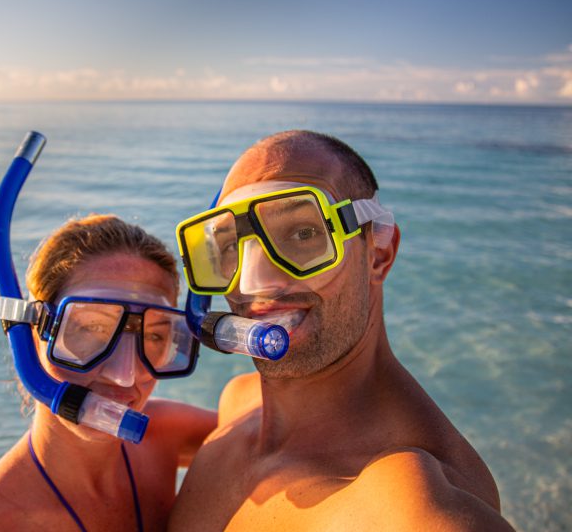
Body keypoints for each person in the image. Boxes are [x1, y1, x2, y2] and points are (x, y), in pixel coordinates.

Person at [169, 130, 514, 531]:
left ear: (379, 254)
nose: (253, 283)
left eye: (303, 233)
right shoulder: (238, 403)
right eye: (230, 247)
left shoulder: (410, 503)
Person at [0, 214, 216, 532]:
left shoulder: (164, 434)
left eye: (154, 336)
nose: (125, 375)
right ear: (30, 337)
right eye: (92, 328)